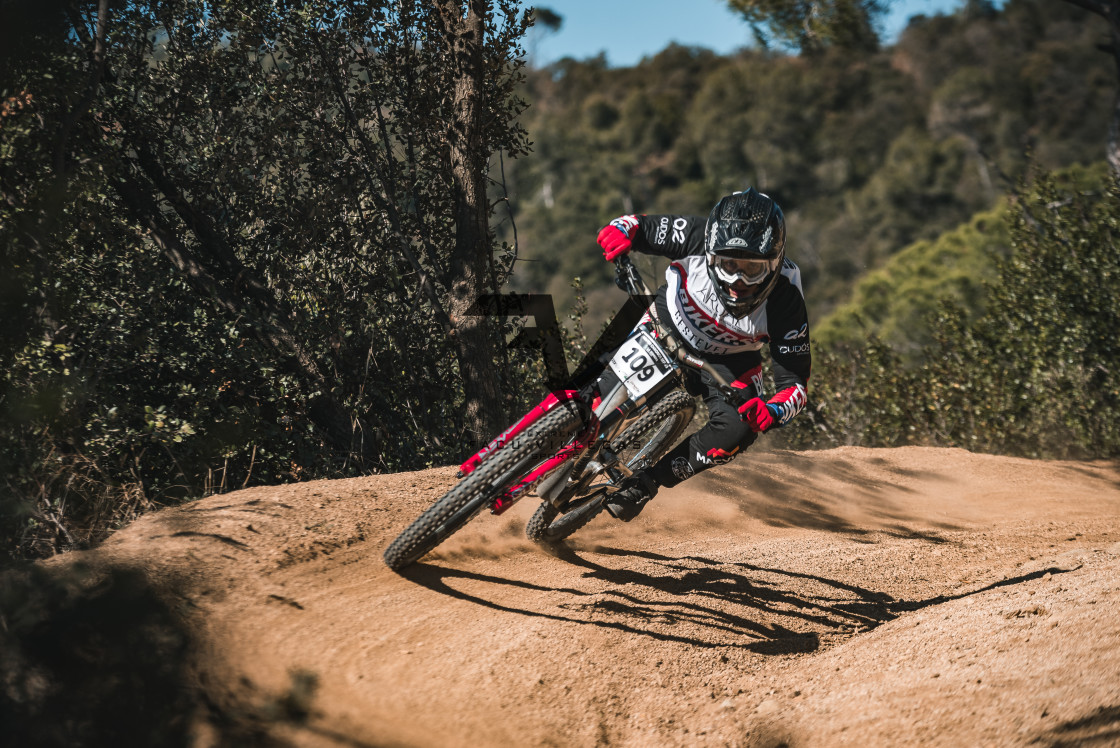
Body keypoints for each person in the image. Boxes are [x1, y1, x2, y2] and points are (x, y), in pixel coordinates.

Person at [594, 188, 811, 521]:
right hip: (665, 327)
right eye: (729, 264)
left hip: (729, 361)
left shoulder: (786, 299)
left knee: (738, 430)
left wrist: (773, 410)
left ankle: (646, 483)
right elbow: (637, 226)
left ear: (774, 262)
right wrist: (619, 232)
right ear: (710, 253)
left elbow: (794, 383)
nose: (739, 280)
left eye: (752, 269)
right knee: (598, 404)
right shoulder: (697, 235)